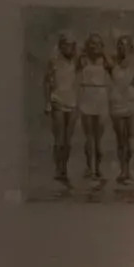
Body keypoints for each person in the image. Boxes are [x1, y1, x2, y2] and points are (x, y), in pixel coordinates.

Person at [43, 31, 78, 183]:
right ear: (61, 46)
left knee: (68, 140)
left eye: (71, 45)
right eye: (66, 45)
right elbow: (47, 82)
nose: (69, 48)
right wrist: (47, 102)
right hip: (57, 101)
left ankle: (64, 167)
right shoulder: (54, 61)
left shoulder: (76, 61)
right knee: (59, 138)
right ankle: (58, 168)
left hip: (72, 103)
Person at [108, 35, 134, 185]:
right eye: (120, 45)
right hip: (117, 104)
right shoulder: (112, 63)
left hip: (132, 104)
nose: (122, 48)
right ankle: (123, 170)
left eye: (125, 45)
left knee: (130, 139)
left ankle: (128, 168)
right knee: (121, 139)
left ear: (130, 47)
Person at [77, 33, 110, 181]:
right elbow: (74, 70)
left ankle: (98, 167)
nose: (94, 46)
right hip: (87, 95)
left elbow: (112, 68)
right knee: (89, 136)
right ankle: (90, 167)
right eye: (91, 43)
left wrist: (103, 53)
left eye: (97, 43)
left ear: (101, 45)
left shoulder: (105, 60)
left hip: (101, 96)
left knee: (98, 138)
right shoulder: (83, 59)